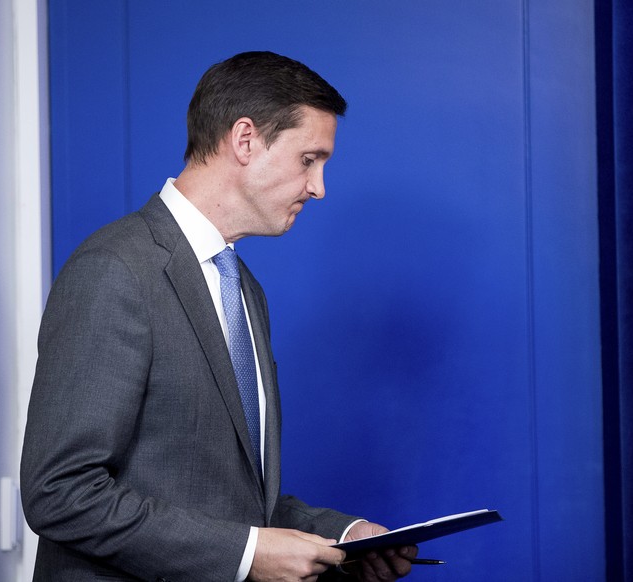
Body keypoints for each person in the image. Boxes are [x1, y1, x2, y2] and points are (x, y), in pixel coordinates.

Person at [21, 51, 416, 582]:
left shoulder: (242, 286)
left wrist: (343, 536)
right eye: (309, 159)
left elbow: (224, 496)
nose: (319, 186)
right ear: (246, 139)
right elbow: (60, 493)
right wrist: (248, 555)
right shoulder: (115, 270)